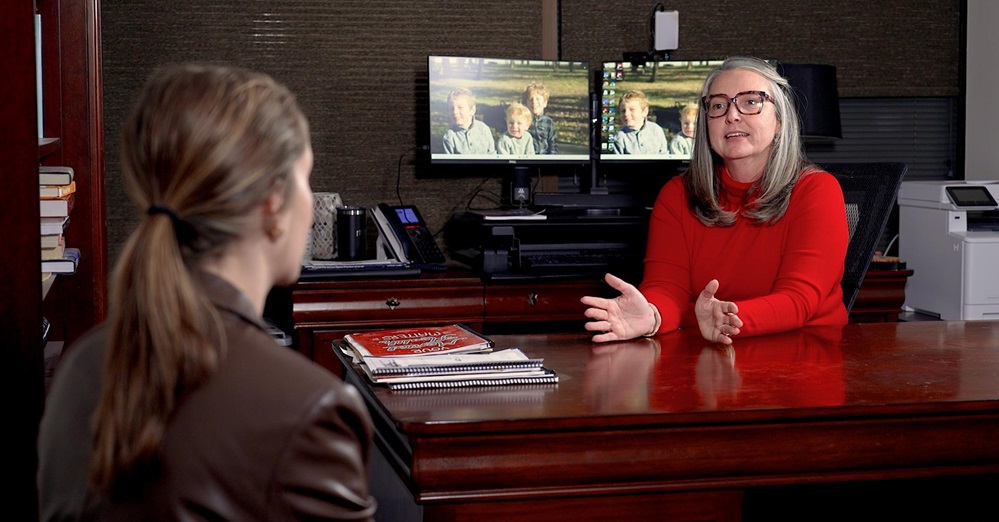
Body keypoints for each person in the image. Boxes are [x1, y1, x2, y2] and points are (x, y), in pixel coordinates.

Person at [37, 64, 377, 521]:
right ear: (273, 202)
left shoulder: (79, 365)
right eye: (306, 177)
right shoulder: (310, 409)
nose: (309, 202)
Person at [582, 56, 849, 345]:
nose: (731, 115)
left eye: (750, 102)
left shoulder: (817, 190)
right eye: (719, 105)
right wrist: (652, 315)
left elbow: (798, 301)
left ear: (780, 122)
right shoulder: (677, 194)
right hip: (710, 360)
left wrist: (729, 319)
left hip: (803, 357)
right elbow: (666, 287)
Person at [612, 90, 669, 155]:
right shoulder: (620, 137)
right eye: (623, 111)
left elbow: (664, 155)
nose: (626, 114)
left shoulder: (656, 130)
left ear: (644, 112)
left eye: (632, 110)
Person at [442, 87, 496, 154]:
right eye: (451, 108)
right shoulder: (449, 137)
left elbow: (492, 154)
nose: (455, 112)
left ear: (472, 110)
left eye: (460, 107)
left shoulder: (484, 129)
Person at [522, 81, 558, 154]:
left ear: (545, 103)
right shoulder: (522, 121)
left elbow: (553, 144)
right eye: (531, 99)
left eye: (538, 99)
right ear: (525, 103)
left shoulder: (548, 122)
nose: (534, 102)